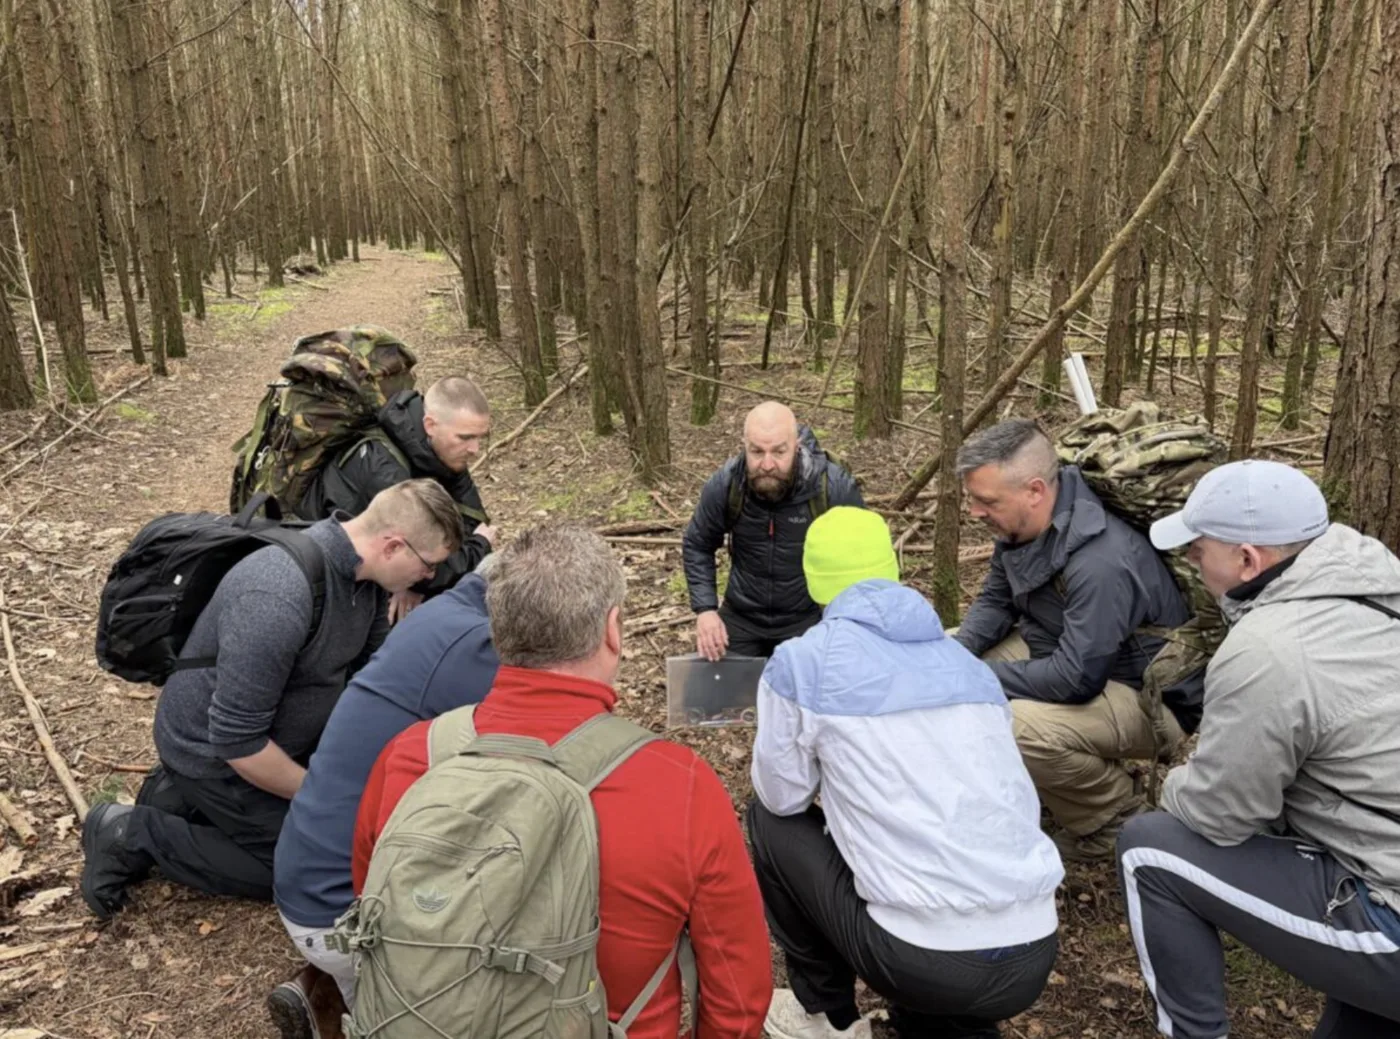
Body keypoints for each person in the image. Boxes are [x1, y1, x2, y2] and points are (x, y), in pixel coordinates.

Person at [354, 526, 774, 1039]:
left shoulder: (411, 755)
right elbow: (737, 990)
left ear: (498, 629)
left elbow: (376, 911)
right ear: (613, 630)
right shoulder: (680, 785)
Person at [78, 480, 463, 921]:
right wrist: (320, 793)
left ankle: (176, 800)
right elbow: (237, 742)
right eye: (429, 564)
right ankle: (131, 832)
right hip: (212, 755)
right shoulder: (278, 594)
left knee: (354, 830)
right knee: (300, 867)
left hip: (284, 735)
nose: (430, 577)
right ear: (393, 546)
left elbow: (370, 679)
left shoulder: (369, 582)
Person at [750, 507, 1063, 1039]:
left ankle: (824, 1016)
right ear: (892, 566)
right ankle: (937, 1021)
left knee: (769, 822)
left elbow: (782, 796)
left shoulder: (802, 663)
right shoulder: (968, 666)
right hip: (1033, 952)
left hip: (922, 958)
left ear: (814, 581)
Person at [1116, 460, 1400, 1039]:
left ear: (1248, 560)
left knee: (1149, 847)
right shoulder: (1379, 590)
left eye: (1198, 551)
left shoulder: (1268, 648)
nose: (1192, 564)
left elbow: (1221, 816)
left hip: (1391, 915)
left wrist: (1175, 778)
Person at [264, 565, 499, 1039]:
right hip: (340, 906)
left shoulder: (439, 615)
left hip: (306, 876)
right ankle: (356, 1010)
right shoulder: (479, 652)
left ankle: (325, 989)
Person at [951, 419, 1194, 861]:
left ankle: (1113, 817)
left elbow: (1075, 679)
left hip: (1148, 696)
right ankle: (1035, 783)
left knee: (1018, 725)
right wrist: (956, 654)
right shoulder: (1023, 524)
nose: (974, 512)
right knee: (946, 650)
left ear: (1035, 490)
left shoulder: (1101, 561)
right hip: (1067, 650)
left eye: (986, 501)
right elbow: (996, 598)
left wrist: (972, 675)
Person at [301, 376, 496, 619]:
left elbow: (472, 518)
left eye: (480, 437)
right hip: (329, 576)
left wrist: (418, 582)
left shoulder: (443, 450)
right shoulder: (384, 470)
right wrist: (478, 546)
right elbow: (431, 561)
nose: (475, 449)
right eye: (465, 437)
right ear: (430, 425)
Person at [683, 401, 863, 660]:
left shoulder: (831, 487)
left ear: (796, 444)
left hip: (808, 616)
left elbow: (860, 557)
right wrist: (705, 609)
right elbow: (698, 543)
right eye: (757, 452)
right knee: (708, 693)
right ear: (744, 445)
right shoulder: (727, 484)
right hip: (742, 614)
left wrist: (844, 619)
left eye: (779, 452)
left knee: (816, 694)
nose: (767, 464)